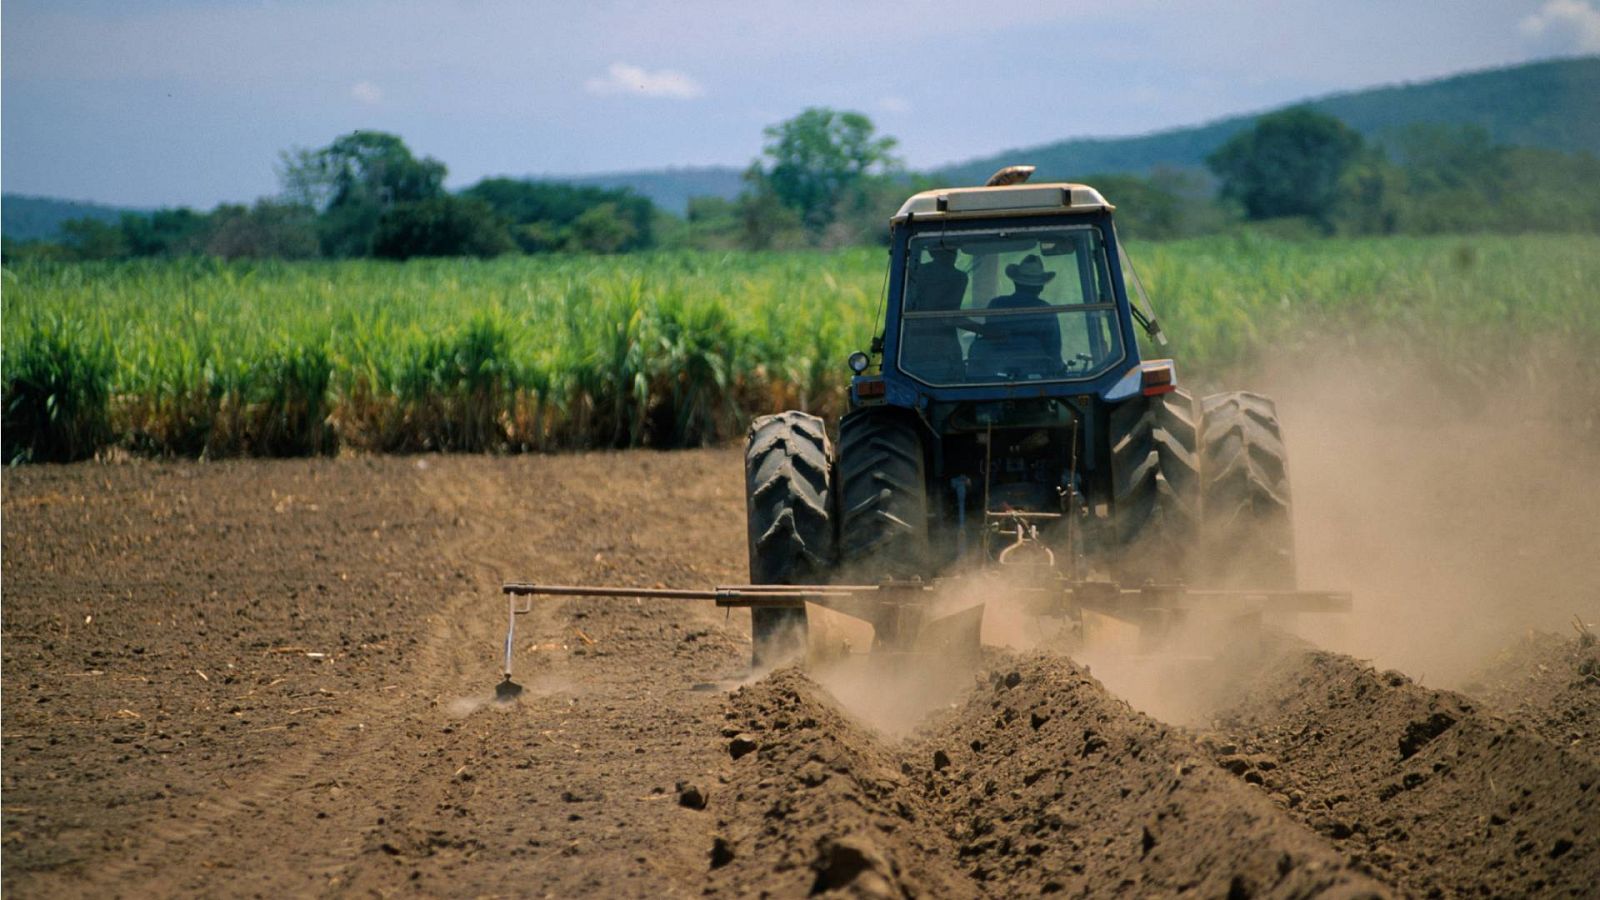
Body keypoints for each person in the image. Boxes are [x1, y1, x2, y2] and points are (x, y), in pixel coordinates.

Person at [966, 254, 1063, 375]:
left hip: (991, 377)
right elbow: (1053, 352)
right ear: (1041, 287)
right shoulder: (1045, 310)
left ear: (1015, 283)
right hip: (1034, 379)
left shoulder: (996, 304)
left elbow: (991, 334)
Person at [901, 246, 969, 380]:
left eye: (952, 250)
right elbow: (950, 316)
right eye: (949, 250)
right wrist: (987, 330)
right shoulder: (958, 278)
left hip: (910, 344)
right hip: (942, 348)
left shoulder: (915, 273)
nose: (952, 254)